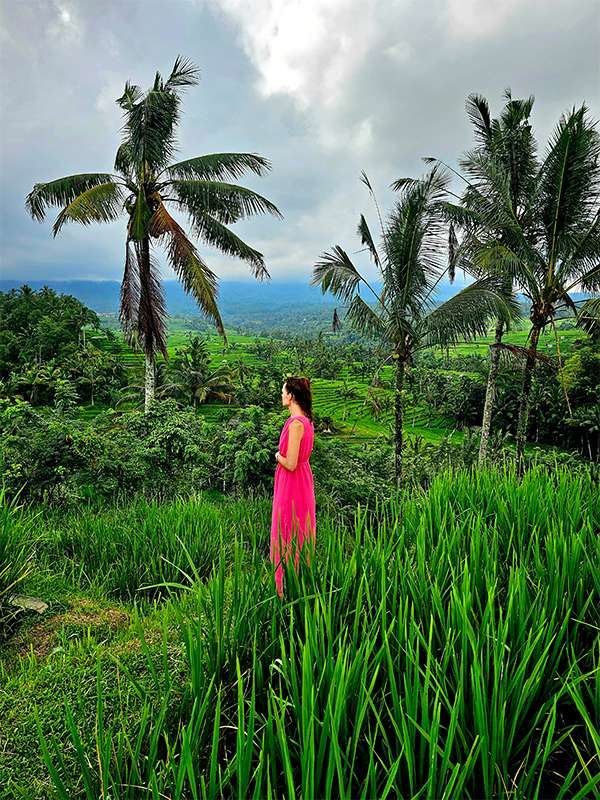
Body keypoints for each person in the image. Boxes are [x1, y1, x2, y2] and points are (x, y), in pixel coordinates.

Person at [271, 376, 316, 598]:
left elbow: (290, 463)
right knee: (298, 532)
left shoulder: (296, 424)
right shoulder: (306, 421)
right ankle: (298, 584)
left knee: (286, 531)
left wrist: (278, 455)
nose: (281, 395)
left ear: (291, 396)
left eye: (283, 392)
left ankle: (284, 590)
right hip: (302, 481)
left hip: (292, 484)